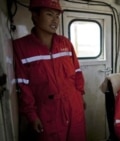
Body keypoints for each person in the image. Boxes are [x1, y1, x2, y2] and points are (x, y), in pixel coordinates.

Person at [13, 0, 86, 141]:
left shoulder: (65, 43)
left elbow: (77, 72)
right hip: (47, 112)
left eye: (57, 16)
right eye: (49, 14)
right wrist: (31, 115)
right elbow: (23, 86)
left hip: (73, 106)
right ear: (35, 15)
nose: (55, 20)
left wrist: (80, 95)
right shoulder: (21, 47)